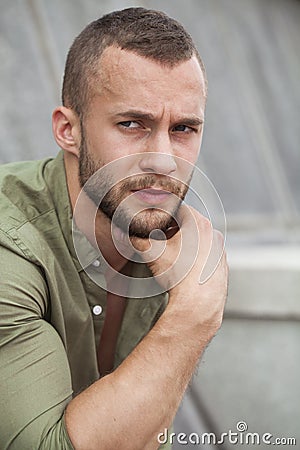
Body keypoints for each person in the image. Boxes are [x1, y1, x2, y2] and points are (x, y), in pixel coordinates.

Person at [0, 7, 228, 450]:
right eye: (132, 124)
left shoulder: (171, 240)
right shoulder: (10, 251)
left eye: (183, 129)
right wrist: (192, 316)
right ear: (69, 129)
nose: (163, 159)